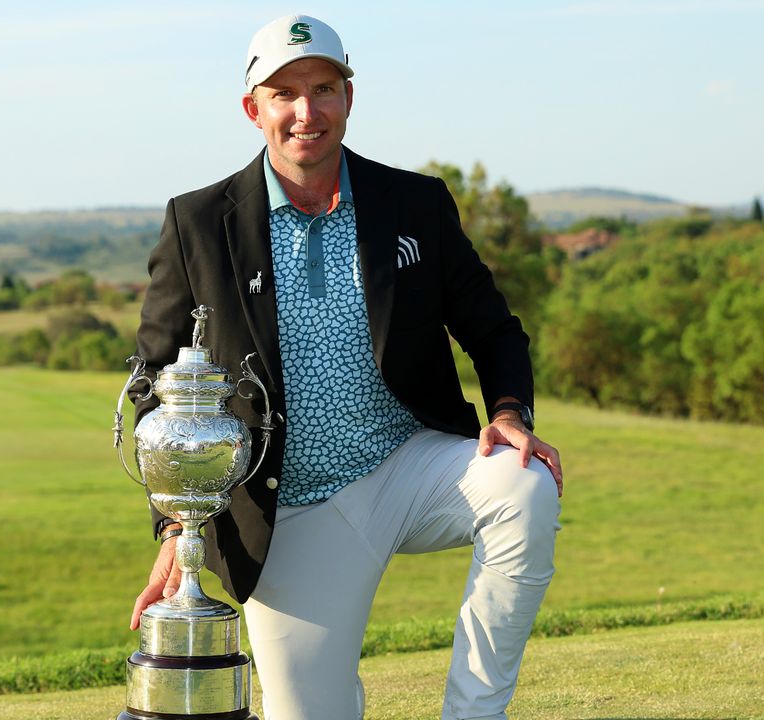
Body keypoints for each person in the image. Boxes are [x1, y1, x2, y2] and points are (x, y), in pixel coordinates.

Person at [129, 14, 563, 720]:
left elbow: (494, 328)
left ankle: (474, 714)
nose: (308, 112)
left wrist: (510, 414)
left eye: (324, 88)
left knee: (526, 485)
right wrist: (180, 525)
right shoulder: (198, 223)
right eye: (285, 94)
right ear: (254, 109)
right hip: (291, 508)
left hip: (411, 464)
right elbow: (155, 389)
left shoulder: (417, 204)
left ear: (348, 97)